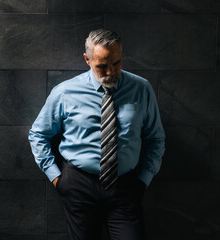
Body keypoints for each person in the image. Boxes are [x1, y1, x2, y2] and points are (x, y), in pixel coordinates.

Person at [28, 29, 165, 240]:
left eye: (117, 63)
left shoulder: (141, 89)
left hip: (126, 186)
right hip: (79, 185)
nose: (111, 72)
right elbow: (38, 134)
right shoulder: (65, 92)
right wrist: (57, 178)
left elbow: (155, 138)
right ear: (87, 59)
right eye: (102, 66)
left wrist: (143, 180)